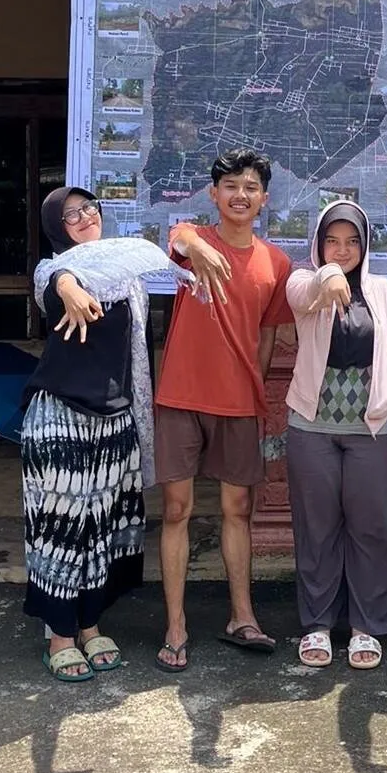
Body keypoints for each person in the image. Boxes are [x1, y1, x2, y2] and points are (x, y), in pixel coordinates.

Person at [23, 187, 190, 681]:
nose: (83, 217)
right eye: (70, 214)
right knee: (60, 529)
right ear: (55, 225)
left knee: (103, 528)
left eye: (90, 208)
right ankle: (59, 634)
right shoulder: (51, 272)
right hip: (61, 419)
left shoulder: (126, 278)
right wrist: (68, 281)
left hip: (115, 419)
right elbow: (54, 279)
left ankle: (91, 625)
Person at [154, 148, 293, 671]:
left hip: (238, 402)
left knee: (239, 511)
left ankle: (242, 615)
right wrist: (194, 243)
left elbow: (267, 335)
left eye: (251, 186)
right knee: (176, 511)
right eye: (230, 185)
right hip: (181, 397)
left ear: (264, 198)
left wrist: (250, 384)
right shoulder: (193, 242)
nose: (240, 194)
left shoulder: (275, 262)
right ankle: (176, 624)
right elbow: (177, 237)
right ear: (214, 194)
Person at [285, 201, 387, 670]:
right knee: (316, 528)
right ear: (318, 245)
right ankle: (317, 624)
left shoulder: (385, 290)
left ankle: (367, 626)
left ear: (366, 244)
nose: (342, 250)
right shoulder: (304, 282)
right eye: (332, 241)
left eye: (352, 241)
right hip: (311, 426)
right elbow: (302, 293)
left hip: (374, 427)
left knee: (373, 527)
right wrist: (328, 275)